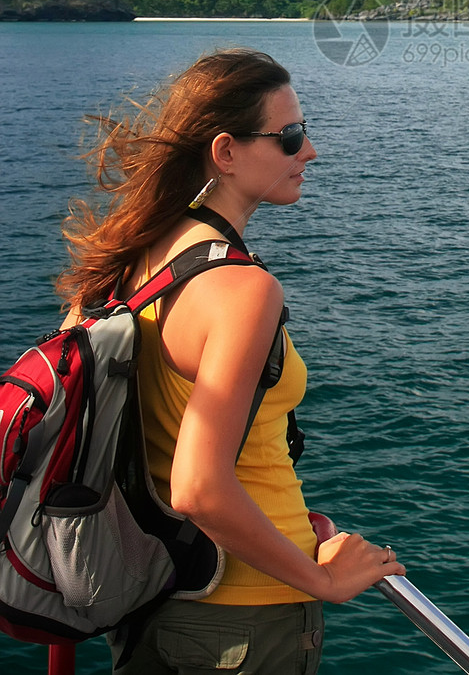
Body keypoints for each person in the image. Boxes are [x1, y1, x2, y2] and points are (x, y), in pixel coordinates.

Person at [57, 48, 405, 675]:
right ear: (226, 152)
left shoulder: (134, 260)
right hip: (244, 615)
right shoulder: (244, 291)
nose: (310, 153)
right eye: (291, 137)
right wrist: (320, 580)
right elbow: (200, 487)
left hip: (157, 600)